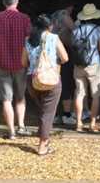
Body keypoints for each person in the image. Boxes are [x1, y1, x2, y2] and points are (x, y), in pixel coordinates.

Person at [0, 0, 31, 139]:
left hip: (3, 62)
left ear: (3, 2)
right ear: (17, 1)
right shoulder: (25, 18)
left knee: (6, 99)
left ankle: (11, 131)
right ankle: (22, 126)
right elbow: (28, 41)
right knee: (20, 96)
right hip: (20, 62)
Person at [22, 14, 68, 156]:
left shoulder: (28, 40)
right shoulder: (53, 38)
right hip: (50, 79)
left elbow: (23, 62)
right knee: (48, 113)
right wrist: (54, 63)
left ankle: (44, 138)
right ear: (50, 26)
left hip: (33, 80)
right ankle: (42, 145)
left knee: (42, 110)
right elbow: (65, 58)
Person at [72, 3, 100, 133]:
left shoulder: (76, 30)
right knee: (95, 95)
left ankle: (78, 123)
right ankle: (92, 123)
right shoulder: (98, 30)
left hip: (78, 65)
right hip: (94, 64)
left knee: (79, 93)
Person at [51, 1, 77, 126]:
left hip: (52, 52)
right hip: (63, 50)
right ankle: (67, 115)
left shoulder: (53, 15)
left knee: (54, 82)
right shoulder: (65, 15)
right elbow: (75, 31)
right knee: (66, 81)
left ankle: (54, 114)